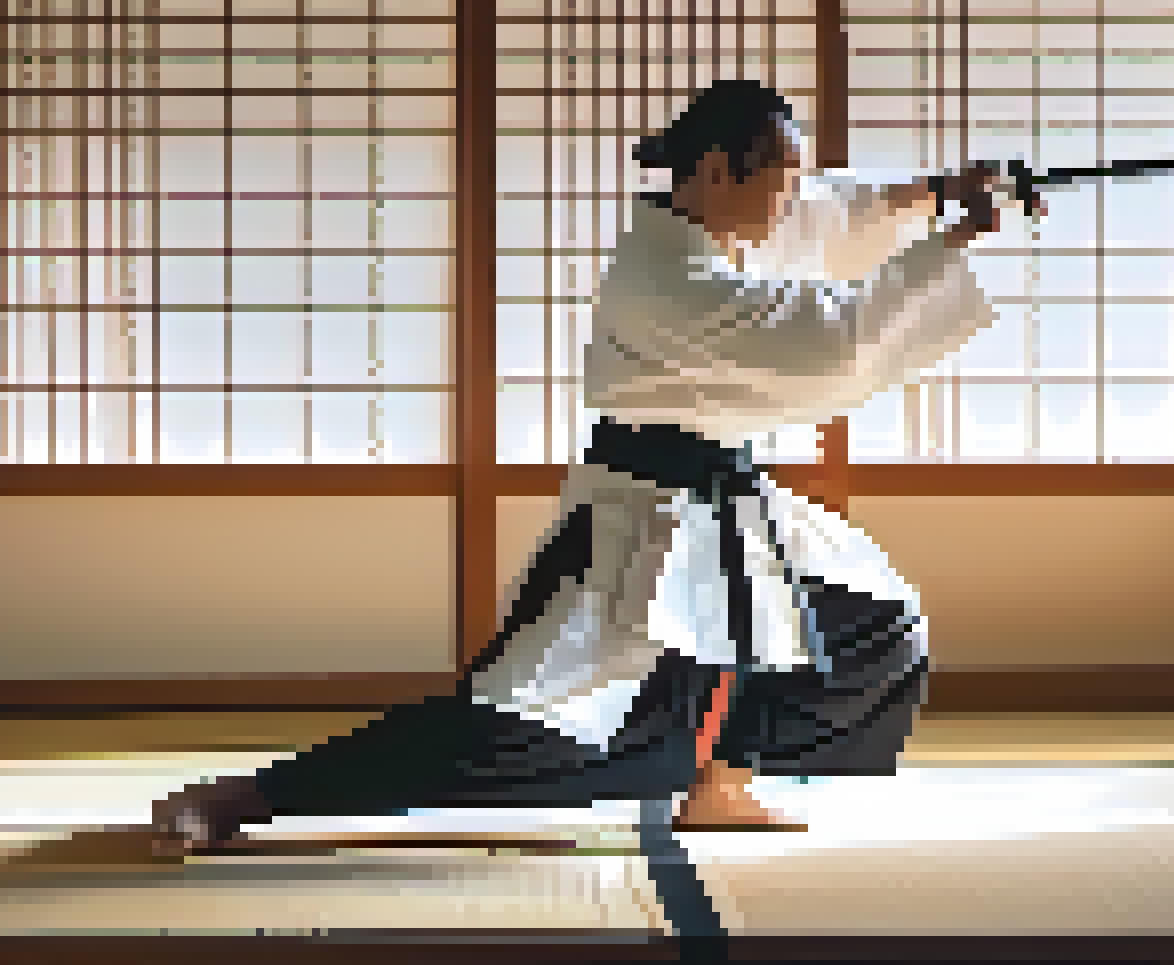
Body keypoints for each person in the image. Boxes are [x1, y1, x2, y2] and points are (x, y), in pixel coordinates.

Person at [148, 78, 1032, 853]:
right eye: (778, 183)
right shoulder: (668, 276)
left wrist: (942, 195)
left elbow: (832, 216)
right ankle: (249, 797)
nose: (790, 205)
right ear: (719, 169)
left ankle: (721, 781)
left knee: (875, 630)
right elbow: (822, 340)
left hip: (723, 493)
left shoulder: (717, 223)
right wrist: (950, 245)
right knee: (517, 719)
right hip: (647, 512)